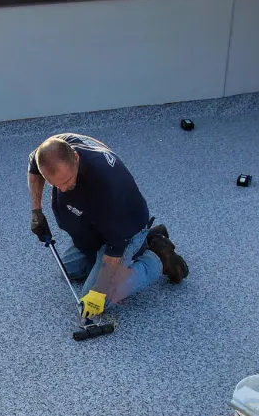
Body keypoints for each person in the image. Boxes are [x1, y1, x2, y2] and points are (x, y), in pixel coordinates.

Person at [28, 133, 187, 319]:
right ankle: (146, 240)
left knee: (95, 299)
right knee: (68, 270)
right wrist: (37, 212)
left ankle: (157, 258)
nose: (62, 189)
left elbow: (117, 245)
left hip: (124, 233)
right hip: (96, 228)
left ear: (76, 158)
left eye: (67, 180)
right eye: (55, 185)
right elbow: (34, 164)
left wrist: (99, 291)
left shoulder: (107, 185)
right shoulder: (57, 150)